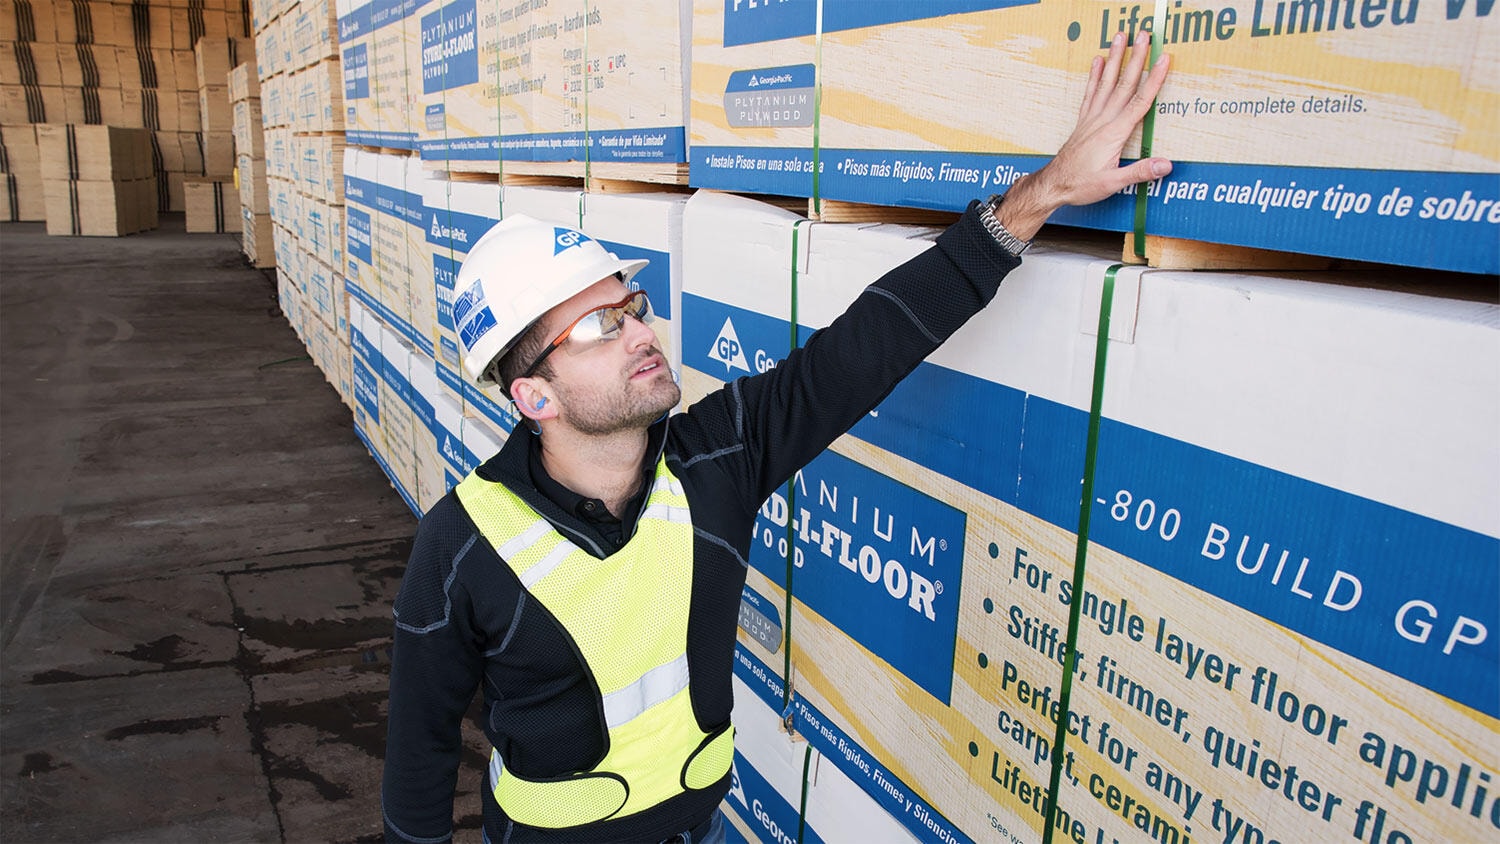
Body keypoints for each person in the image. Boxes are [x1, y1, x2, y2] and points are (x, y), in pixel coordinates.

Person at [382, 32, 1172, 844]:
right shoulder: (462, 545)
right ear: (532, 395)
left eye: (633, 306)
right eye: (596, 325)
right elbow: (418, 759)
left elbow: (870, 343)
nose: (639, 332)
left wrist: (1040, 194)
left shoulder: (718, 457)